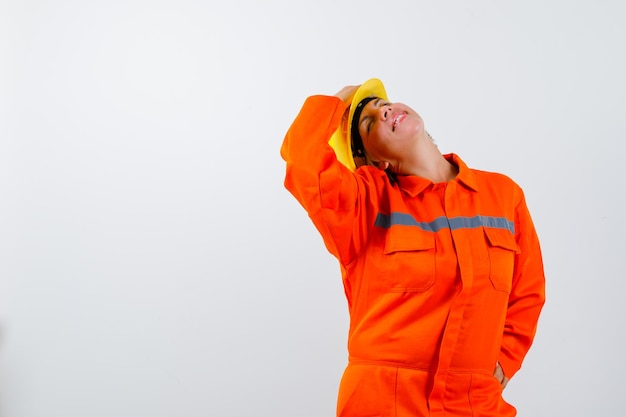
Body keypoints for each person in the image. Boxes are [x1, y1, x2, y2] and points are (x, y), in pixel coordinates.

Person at [280, 78, 545, 417]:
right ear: (374, 162)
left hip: (475, 401)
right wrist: (344, 96)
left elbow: (528, 289)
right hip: (385, 402)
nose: (384, 110)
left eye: (381, 103)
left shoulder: (503, 195)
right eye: (369, 121)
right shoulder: (366, 203)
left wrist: (505, 360)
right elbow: (303, 161)